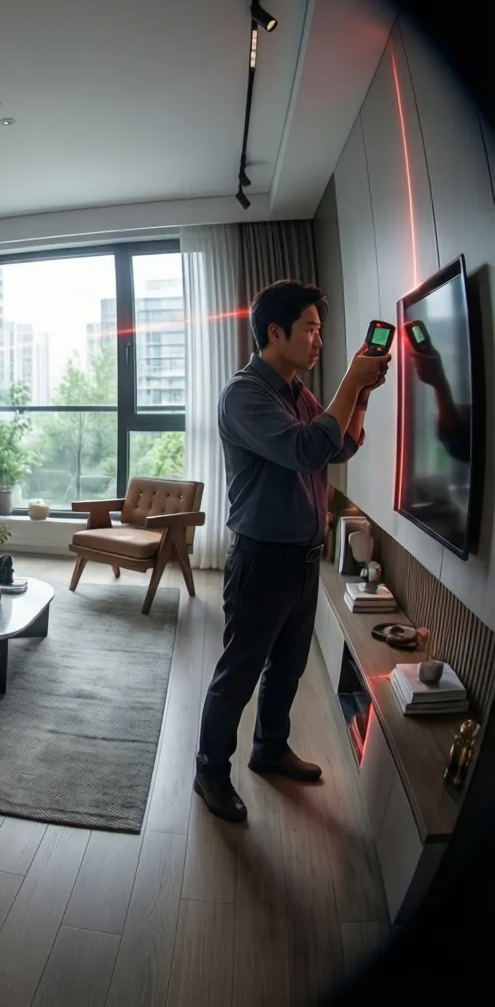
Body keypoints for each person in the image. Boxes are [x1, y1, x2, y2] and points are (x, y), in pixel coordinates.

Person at [194, 280, 390, 822]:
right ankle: (209, 770)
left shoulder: (294, 391)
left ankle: (269, 749)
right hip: (261, 559)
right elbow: (307, 450)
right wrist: (350, 380)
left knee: (286, 669)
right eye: (310, 328)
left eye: (320, 330)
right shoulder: (245, 394)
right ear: (274, 333)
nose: (318, 339)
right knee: (239, 671)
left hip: (303, 558)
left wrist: (362, 397)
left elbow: (340, 444)